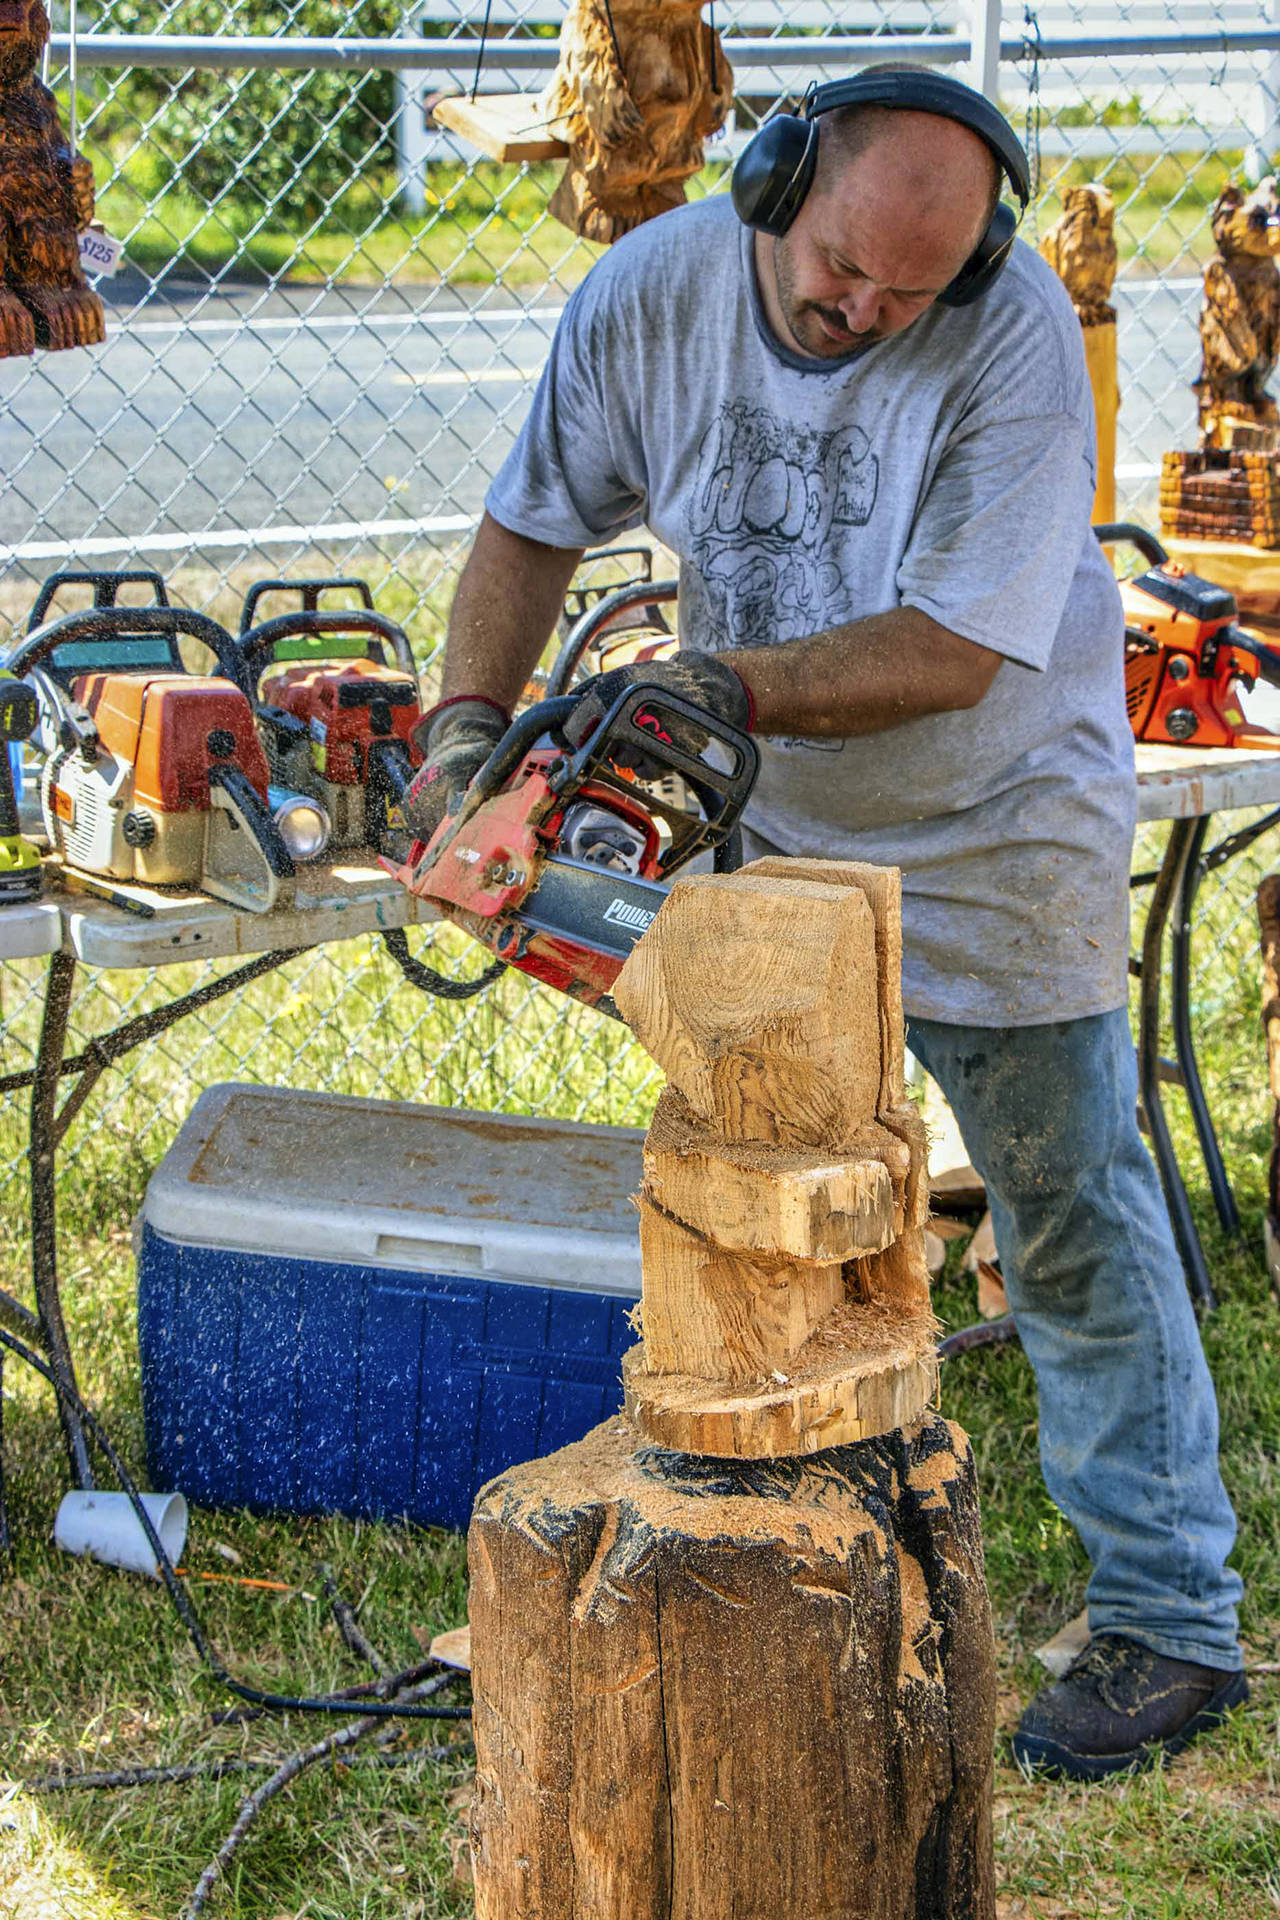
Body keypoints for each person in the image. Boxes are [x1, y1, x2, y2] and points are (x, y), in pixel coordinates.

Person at [405, 65, 1248, 1779]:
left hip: (998, 820)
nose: (863, 313)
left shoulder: (1008, 343)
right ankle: (780, 1565)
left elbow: (950, 648)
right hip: (774, 823)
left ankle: (1172, 1619)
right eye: (839, 273)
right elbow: (525, 520)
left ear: (976, 267)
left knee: (1067, 1196)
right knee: (752, 1194)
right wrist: (463, 738)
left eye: (905, 295)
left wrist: (721, 680)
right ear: (776, 180)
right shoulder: (653, 293)